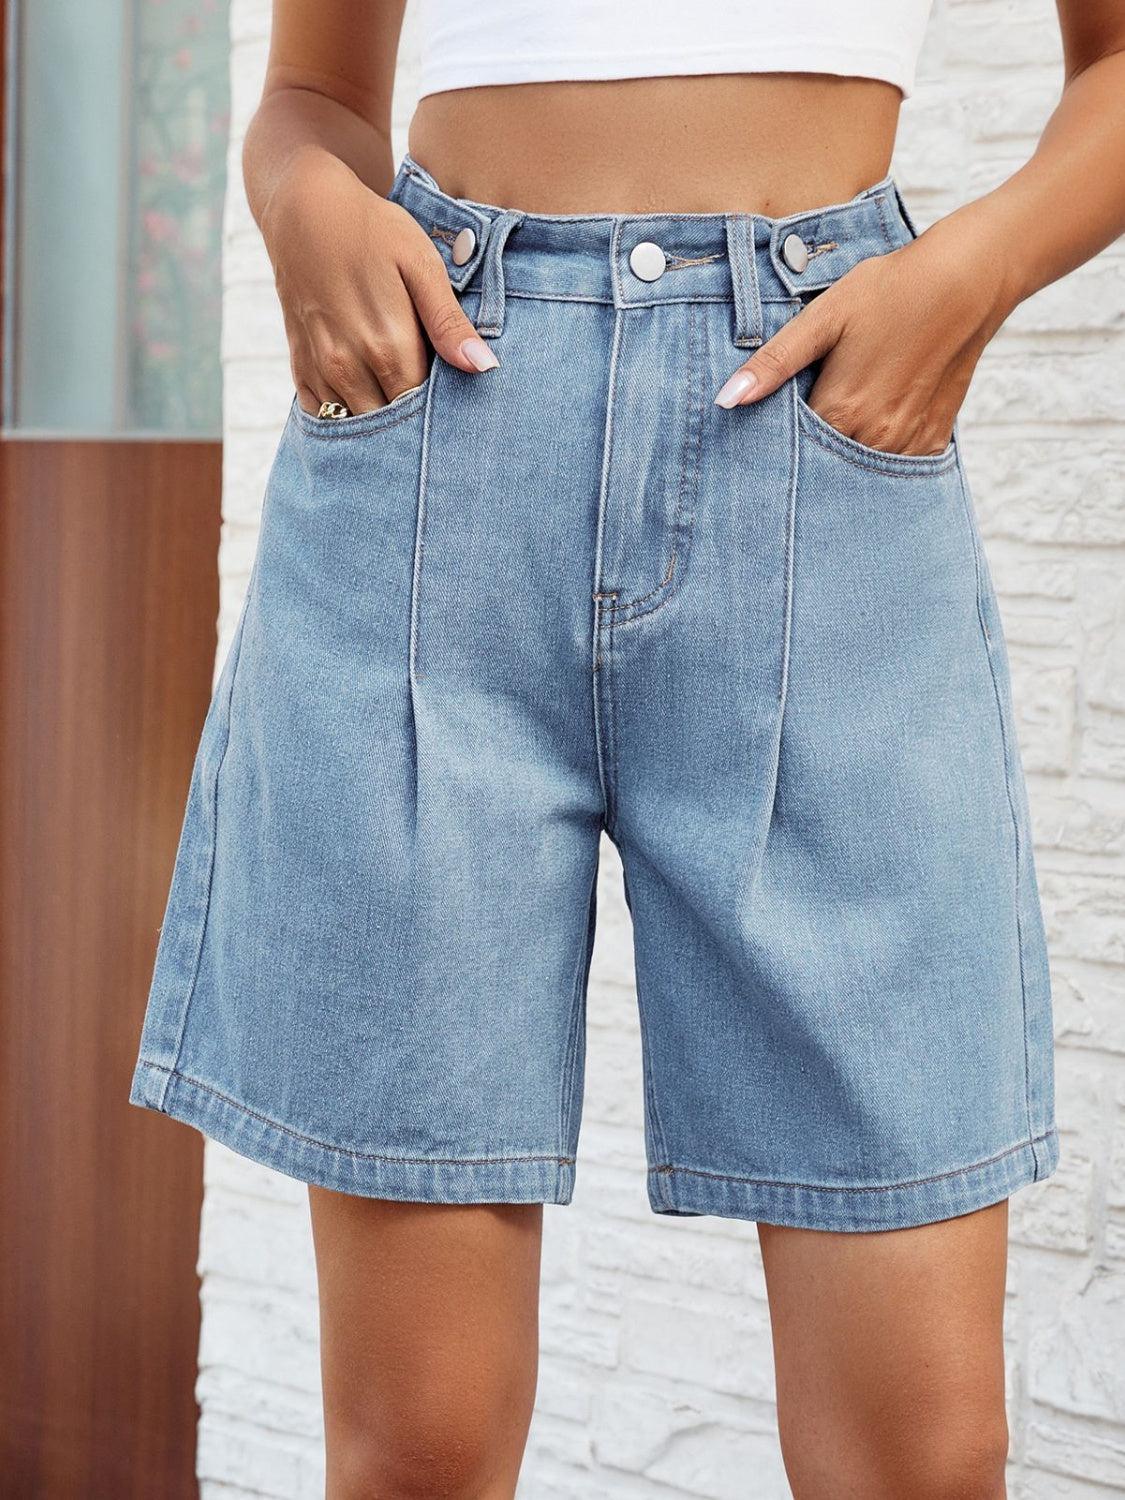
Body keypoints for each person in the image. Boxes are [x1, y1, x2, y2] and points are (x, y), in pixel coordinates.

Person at [130, 1, 1125, 1495]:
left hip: (819, 444)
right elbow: (313, 95)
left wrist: (964, 276)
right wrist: (302, 204)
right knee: (417, 1443)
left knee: (918, 1453)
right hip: (434, 444)